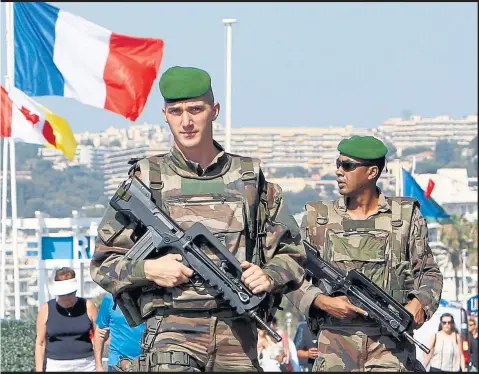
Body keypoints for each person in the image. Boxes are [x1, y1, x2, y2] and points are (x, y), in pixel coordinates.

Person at [90, 66, 306, 372]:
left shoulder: (248, 180)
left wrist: (269, 275)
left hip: (238, 334)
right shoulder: (148, 179)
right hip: (170, 332)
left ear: (214, 111)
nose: (186, 121)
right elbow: (103, 264)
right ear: (164, 114)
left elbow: (293, 253)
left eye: (195, 109)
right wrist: (149, 268)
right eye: (176, 111)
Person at [290, 135, 443, 371]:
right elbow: (291, 275)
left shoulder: (403, 217)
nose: (339, 171)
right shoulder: (318, 219)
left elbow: (429, 273)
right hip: (334, 344)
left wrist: (419, 304)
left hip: (391, 347)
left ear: (372, 172)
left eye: (348, 166)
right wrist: (323, 302)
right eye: (338, 164)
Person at [35, 267, 98, 372]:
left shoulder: (88, 306)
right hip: (56, 365)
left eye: (70, 293)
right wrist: (39, 369)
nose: (67, 297)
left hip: (86, 364)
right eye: (63, 294)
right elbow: (40, 343)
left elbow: (98, 337)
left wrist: (99, 364)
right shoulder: (46, 309)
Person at [94, 293, 145, 372]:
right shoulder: (110, 298)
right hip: (118, 364)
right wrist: (98, 366)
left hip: (148, 362)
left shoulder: (153, 296)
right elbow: (100, 332)